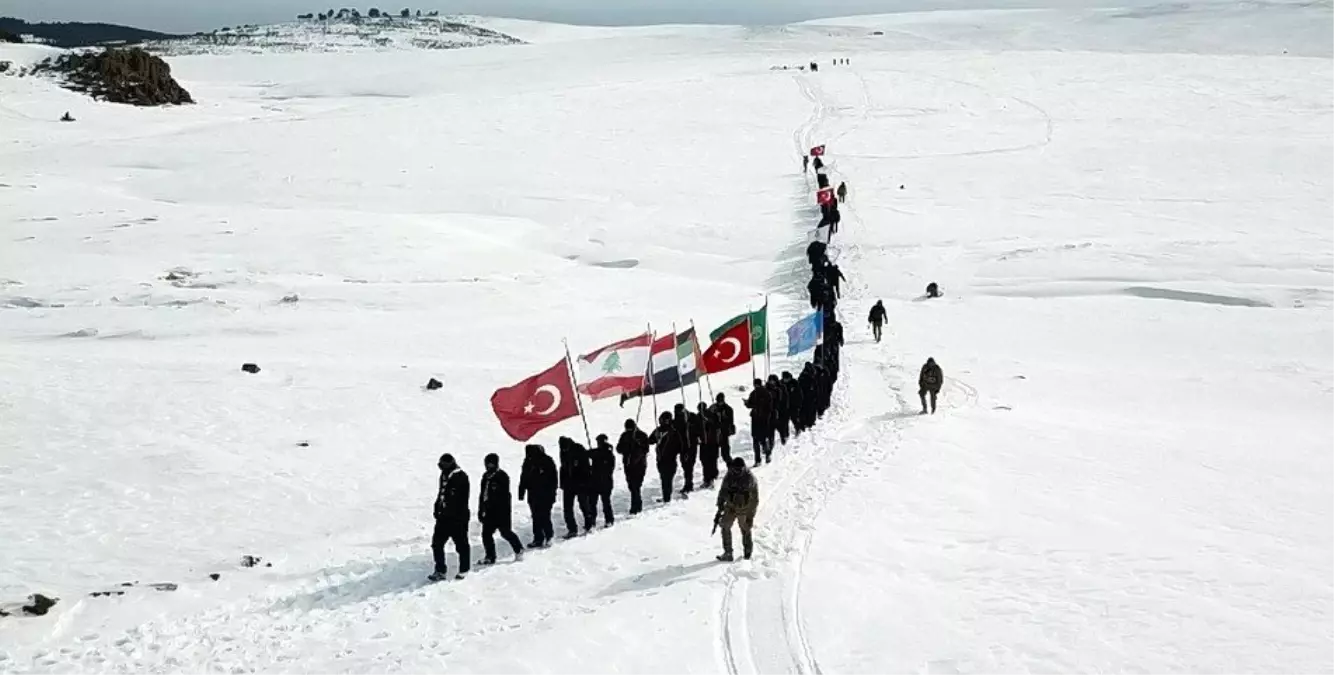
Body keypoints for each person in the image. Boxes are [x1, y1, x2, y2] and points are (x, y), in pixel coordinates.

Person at [429, 453, 470, 582]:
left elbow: (460, 500)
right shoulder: (444, 475)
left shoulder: (461, 477)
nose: (441, 469)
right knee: (437, 544)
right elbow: (441, 492)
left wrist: (451, 512)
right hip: (443, 518)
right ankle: (440, 570)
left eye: (443, 466)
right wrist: (437, 507)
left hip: (458, 518)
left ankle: (464, 569)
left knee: (461, 545)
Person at [478, 453, 523, 565]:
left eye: (491, 463)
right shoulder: (485, 477)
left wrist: (500, 510)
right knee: (486, 534)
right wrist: (481, 508)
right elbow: (482, 494)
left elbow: (504, 496)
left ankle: (519, 549)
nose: (488, 466)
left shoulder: (502, 476)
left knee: (505, 532)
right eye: (487, 463)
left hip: (501, 511)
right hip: (488, 511)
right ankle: (490, 556)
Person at [714, 458, 759, 561]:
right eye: (735, 469)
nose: (737, 471)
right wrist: (720, 504)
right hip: (730, 506)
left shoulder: (750, 479)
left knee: (745, 529)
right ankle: (728, 553)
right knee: (725, 526)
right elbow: (723, 490)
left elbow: (754, 500)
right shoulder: (729, 475)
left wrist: (750, 516)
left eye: (739, 469)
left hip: (744, 508)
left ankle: (747, 553)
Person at [518, 444, 557, 548]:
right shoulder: (528, 462)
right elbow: (524, 477)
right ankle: (538, 538)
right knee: (535, 517)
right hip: (533, 494)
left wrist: (552, 494)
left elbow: (554, 479)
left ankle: (549, 536)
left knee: (545, 516)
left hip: (546, 494)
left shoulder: (547, 461)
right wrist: (521, 491)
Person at [557, 437, 591, 539]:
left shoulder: (579, 449)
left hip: (580, 484)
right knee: (567, 508)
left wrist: (585, 481)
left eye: (565, 448)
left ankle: (589, 524)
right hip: (568, 484)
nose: (563, 450)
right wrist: (562, 483)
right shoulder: (563, 451)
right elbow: (563, 467)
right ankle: (572, 529)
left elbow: (586, 467)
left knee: (584, 505)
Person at [616, 419, 649, 514]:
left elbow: (646, 449)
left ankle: (636, 505)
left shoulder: (641, 435)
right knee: (632, 485)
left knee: (636, 485)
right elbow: (619, 449)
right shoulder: (624, 436)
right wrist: (627, 446)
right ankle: (636, 504)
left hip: (640, 464)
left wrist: (637, 444)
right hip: (628, 464)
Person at [649, 412, 683, 503]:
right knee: (664, 479)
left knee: (668, 479)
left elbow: (680, 446)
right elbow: (650, 440)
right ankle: (666, 496)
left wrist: (674, 452)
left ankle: (667, 497)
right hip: (660, 459)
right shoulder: (658, 431)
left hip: (670, 460)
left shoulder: (673, 432)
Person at [589, 434, 616, 527]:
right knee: (593, 503)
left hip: (604, 482)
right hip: (596, 482)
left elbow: (610, 468)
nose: (598, 443)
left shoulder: (607, 453)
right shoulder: (598, 452)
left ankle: (608, 520)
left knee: (604, 503)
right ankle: (593, 522)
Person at [744, 379, 774, 466]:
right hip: (759, 419)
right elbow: (750, 404)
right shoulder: (760, 393)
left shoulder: (759, 393)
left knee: (759, 440)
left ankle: (762, 458)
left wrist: (749, 404)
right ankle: (763, 457)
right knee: (760, 439)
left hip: (759, 419)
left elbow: (750, 404)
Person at [697, 401, 722, 488]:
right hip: (704, 442)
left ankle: (712, 478)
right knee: (704, 461)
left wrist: (708, 421)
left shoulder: (712, 415)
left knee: (712, 460)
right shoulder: (698, 417)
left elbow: (717, 425)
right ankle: (706, 479)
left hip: (712, 442)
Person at [711, 393, 736, 465]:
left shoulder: (728, 409)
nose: (719, 403)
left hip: (723, 433)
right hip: (714, 434)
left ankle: (731, 467)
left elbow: (729, 422)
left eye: (720, 401)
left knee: (725, 454)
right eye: (718, 401)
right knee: (713, 454)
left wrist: (720, 419)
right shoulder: (713, 408)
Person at [768, 374, 790, 446]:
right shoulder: (767, 388)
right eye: (770, 381)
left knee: (781, 427)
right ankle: (771, 444)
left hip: (780, 411)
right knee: (770, 430)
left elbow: (784, 399)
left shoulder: (781, 388)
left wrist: (784, 409)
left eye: (773, 381)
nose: (772, 382)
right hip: (770, 412)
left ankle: (783, 438)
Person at [781, 371, 804, 435]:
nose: (785, 380)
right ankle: (786, 433)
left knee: (794, 419)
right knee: (785, 421)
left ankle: (798, 428)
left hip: (793, 405)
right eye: (784, 379)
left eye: (786, 378)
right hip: (785, 406)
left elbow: (800, 395)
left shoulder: (795, 383)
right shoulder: (781, 384)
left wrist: (799, 405)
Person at [798, 363, 819, 429]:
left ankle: (809, 422)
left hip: (809, 395)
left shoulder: (808, 374)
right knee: (807, 409)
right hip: (806, 395)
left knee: (809, 409)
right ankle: (808, 422)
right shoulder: (805, 375)